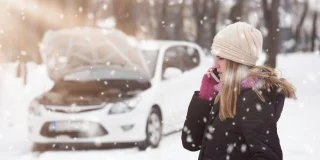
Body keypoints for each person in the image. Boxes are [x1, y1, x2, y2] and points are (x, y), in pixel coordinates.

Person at [181, 22, 296, 160]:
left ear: (236, 60)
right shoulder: (227, 93)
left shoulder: (253, 99)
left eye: (221, 58)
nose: (215, 65)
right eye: (215, 57)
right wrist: (205, 97)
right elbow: (191, 142)